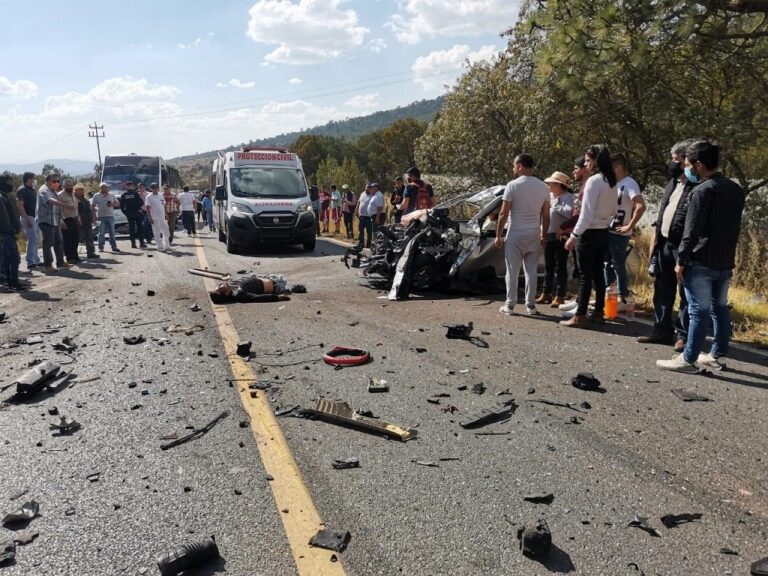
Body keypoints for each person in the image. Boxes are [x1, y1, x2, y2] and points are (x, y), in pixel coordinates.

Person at [657, 141, 745, 373]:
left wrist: (681, 261)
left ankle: (688, 359)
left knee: (698, 310)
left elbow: (692, 230)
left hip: (701, 259)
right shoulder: (734, 189)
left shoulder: (701, 191)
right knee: (720, 308)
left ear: (698, 165)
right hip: (724, 258)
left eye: (687, 164)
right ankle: (715, 353)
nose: (686, 169)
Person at [638, 140, 696, 350]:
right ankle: (661, 329)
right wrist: (655, 241)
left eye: (676, 161)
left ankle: (682, 335)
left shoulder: (696, 186)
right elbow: (663, 214)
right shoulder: (673, 183)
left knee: (685, 293)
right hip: (664, 244)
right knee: (662, 289)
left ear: (686, 161)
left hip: (682, 247)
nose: (672, 164)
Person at [561, 145, 618, 328]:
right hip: (603, 231)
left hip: (588, 232)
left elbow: (585, 215)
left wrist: (574, 235)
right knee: (598, 275)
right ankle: (599, 312)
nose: (585, 164)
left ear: (595, 161)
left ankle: (580, 315)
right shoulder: (611, 181)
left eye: (587, 160)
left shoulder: (594, 181)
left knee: (585, 276)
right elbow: (613, 210)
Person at [495, 154, 550, 316]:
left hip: (515, 233)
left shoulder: (512, 185)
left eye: (514, 166)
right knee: (531, 270)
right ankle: (531, 305)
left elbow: (504, 213)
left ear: (520, 166)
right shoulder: (543, 187)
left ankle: (510, 305)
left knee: (512, 270)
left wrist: (498, 234)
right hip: (534, 232)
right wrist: (543, 234)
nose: (513, 169)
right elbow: (546, 215)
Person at [604, 153, 646, 307]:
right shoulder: (614, 183)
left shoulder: (630, 183)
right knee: (607, 264)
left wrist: (630, 225)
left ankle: (623, 296)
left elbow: (641, 206)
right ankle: (608, 294)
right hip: (608, 230)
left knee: (618, 264)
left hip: (620, 233)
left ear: (619, 168)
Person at [537, 171, 575, 307]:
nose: (549, 186)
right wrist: (542, 233)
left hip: (561, 236)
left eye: (551, 184)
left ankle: (560, 295)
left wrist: (555, 206)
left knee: (560, 266)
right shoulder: (550, 197)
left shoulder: (569, 198)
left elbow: (569, 212)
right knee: (549, 266)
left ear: (559, 185)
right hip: (549, 235)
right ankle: (546, 293)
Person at [36, 174, 69, 271]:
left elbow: (57, 209)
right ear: (47, 181)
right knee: (48, 243)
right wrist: (65, 205)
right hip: (46, 221)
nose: (56, 183)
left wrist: (61, 220)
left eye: (58, 181)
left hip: (55, 221)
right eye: (54, 181)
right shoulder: (44, 190)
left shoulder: (53, 191)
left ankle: (60, 262)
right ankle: (48, 265)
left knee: (58, 242)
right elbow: (50, 201)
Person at [0, 175, 23, 290]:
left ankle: (11, 283)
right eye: (8, 182)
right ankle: (13, 283)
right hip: (6, 233)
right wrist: (12, 231)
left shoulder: (5, 197)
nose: (10, 184)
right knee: (14, 258)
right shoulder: (1, 198)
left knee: (8, 259)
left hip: (8, 232)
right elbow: (4, 218)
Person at [16, 172, 41, 270]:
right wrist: (26, 219)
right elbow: (19, 205)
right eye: (33, 178)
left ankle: (36, 259)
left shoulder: (32, 189)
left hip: (34, 217)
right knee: (32, 239)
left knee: (36, 239)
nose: (35, 180)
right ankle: (30, 262)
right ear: (28, 179)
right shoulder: (22, 190)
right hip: (28, 217)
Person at [209, 274, 292, 303]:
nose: (220, 285)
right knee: (296, 287)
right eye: (220, 287)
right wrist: (278, 297)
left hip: (261, 277)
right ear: (226, 293)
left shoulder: (231, 286)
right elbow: (256, 298)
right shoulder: (238, 294)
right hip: (276, 284)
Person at [91, 182, 120, 252]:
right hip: (101, 217)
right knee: (101, 233)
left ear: (107, 188)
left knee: (112, 233)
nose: (104, 188)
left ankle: (114, 247)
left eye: (105, 187)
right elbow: (92, 206)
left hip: (110, 216)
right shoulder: (96, 195)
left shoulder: (112, 195)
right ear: (100, 188)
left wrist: (112, 204)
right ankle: (101, 247)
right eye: (102, 187)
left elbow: (118, 204)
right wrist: (94, 216)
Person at [58, 179, 81, 263]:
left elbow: (76, 207)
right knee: (68, 240)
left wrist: (78, 218)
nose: (70, 187)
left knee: (76, 239)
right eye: (68, 185)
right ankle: (69, 258)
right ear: (63, 186)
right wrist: (61, 221)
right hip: (66, 220)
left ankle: (75, 256)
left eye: (71, 185)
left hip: (74, 219)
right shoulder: (60, 195)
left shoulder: (73, 195)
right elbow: (58, 209)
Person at [145, 182, 171, 251]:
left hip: (162, 217)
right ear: (151, 189)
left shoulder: (161, 195)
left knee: (166, 232)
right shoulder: (149, 197)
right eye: (153, 188)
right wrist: (150, 218)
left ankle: (167, 245)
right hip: (155, 218)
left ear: (158, 188)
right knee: (157, 233)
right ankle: (160, 247)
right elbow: (147, 208)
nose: (155, 189)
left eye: (156, 187)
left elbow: (163, 205)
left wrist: (166, 214)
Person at [74, 183, 98, 259]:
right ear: (75, 191)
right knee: (77, 238)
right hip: (78, 221)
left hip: (87, 221)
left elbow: (89, 210)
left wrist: (93, 219)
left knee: (89, 238)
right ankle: (74, 255)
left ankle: (91, 253)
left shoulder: (85, 199)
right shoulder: (74, 199)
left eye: (82, 190)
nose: (81, 192)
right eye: (79, 190)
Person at [119, 179, 145, 248]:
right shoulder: (135, 193)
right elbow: (141, 202)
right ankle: (141, 243)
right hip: (137, 212)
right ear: (133, 186)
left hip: (129, 214)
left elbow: (121, 206)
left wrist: (126, 213)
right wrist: (138, 208)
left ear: (126, 186)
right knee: (139, 228)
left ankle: (133, 244)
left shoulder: (124, 195)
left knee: (131, 229)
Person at [356, 183, 374, 248]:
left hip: (369, 217)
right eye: (367, 187)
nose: (368, 189)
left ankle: (368, 243)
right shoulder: (362, 194)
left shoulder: (373, 195)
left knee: (369, 231)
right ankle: (361, 243)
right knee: (361, 230)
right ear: (365, 188)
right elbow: (359, 202)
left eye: (369, 187)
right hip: (362, 216)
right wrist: (356, 210)